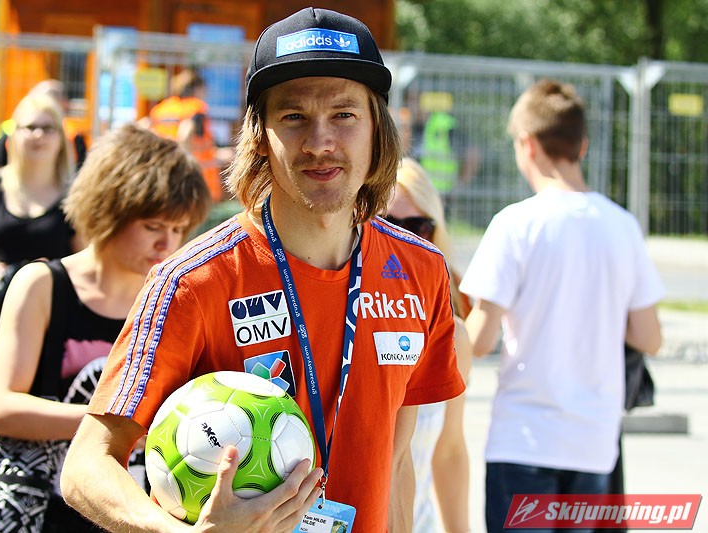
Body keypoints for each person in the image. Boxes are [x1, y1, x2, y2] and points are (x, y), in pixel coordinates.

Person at [61, 7, 464, 532]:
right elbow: (86, 466)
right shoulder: (192, 282)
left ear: (377, 131)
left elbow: (396, 459)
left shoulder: (421, 270)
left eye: (344, 114)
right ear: (259, 135)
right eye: (293, 117)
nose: (319, 142)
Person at [0, 123, 211, 530]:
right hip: (40, 510)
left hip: (134, 512)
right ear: (108, 209)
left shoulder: (177, 298)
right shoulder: (42, 284)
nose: (168, 244)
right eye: (153, 227)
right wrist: (117, 427)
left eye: (178, 229)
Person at [459, 79, 665, 532]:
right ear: (582, 145)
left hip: (523, 440)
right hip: (593, 443)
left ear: (527, 144)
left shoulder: (515, 224)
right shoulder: (623, 226)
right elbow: (650, 338)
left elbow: (481, 339)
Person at [0, 92, 82, 413]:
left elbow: (84, 263)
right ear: (14, 135)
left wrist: (49, 271)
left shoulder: (75, 199)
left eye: (48, 128)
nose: (38, 135)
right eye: (29, 127)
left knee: (27, 412)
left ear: (60, 138)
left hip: (47, 327)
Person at [385, 157, 473, 533]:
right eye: (386, 225)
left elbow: (450, 450)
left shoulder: (454, 337)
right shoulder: (337, 321)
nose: (402, 242)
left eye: (417, 228)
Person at [148, 69, 227, 202]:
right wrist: (216, 158)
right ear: (197, 89)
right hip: (195, 182)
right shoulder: (195, 108)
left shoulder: (161, 109)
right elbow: (185, 136)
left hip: (164, 177)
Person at [0, 79, 88, 170]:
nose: (38, 134)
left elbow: (81, 171)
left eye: (48, 129)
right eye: (31, 128)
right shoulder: (11, 131)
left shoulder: (72, 135)